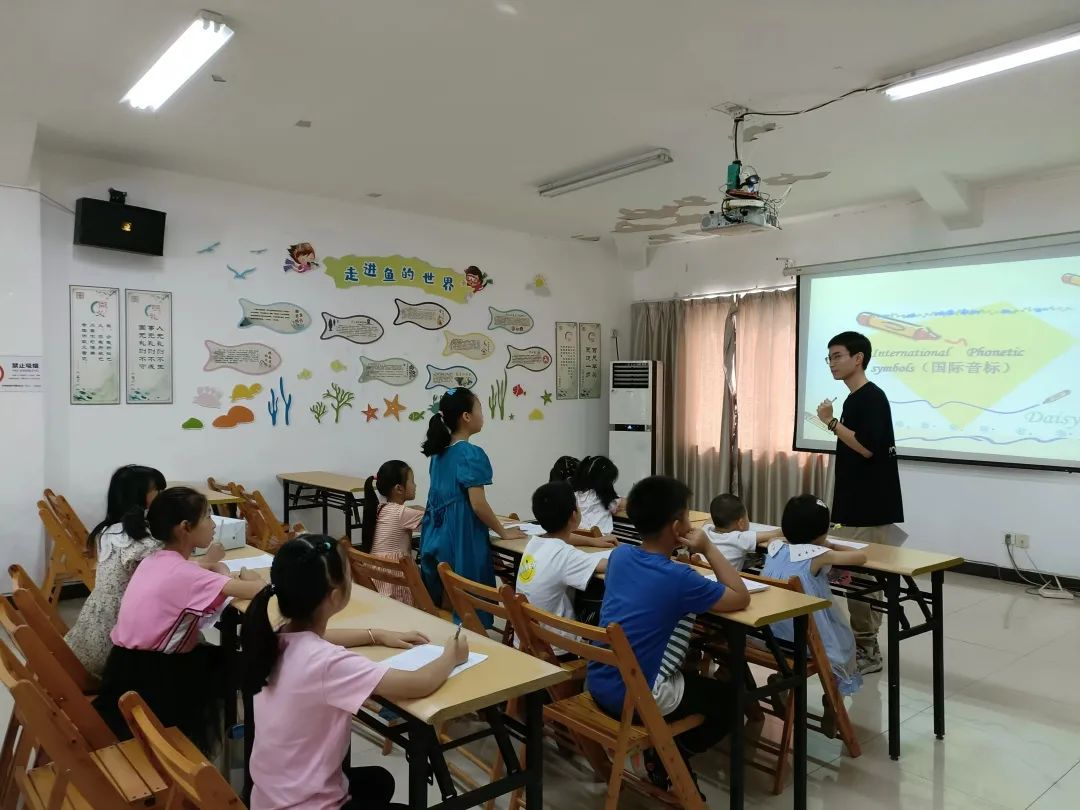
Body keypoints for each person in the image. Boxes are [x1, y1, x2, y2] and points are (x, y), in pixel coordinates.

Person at [243, 535, 468, 810]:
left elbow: (325, 638)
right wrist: (451, 656)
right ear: (335, 596)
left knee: (379, 781)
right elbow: (419, 683)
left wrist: (376, 635)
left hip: (269, 797)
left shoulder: (276, 638)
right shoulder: (327, 663)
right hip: (307, 805)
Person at [586, 475, 749, 790]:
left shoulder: (620, 557)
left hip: (600, 681)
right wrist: (708, 548)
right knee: (732, 700)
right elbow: (740, 597)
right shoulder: (680, 578)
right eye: (687, 516)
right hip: (636, 697)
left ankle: (663, 751)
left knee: (690, 672)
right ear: (677, 528)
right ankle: (666, 755)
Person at [93, 487, 266, 754]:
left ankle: (237, 732)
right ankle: (249, 741)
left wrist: (218, 569)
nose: (213, 524)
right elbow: (259, 590)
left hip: (124, 668)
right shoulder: (184, 574)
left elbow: (199, 570)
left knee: (228, 657)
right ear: (185, 527)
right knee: (254, 664)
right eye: (207, 517)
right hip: (161, 678)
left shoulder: (154, 560)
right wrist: (250, 577)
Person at [65, 465, 226, 677]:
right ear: (138, 497)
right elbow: (176, 573)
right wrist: (210, 560)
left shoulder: (109, 531)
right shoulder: (143, 541)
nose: (163, 496)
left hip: (88, 635)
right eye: (158, 491)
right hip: (119, 649)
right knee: (196, 643)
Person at [817, 331, 905, 675]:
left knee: (859, 581)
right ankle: (866, 645)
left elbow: (867, 447)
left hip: (868, 506)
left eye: (838, 356)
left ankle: (868, 649)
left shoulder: (870, 398)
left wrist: (830, 422)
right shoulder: (857, 399)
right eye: (829, 357)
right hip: (858, 504)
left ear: (859, 358)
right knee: (861, 579)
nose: (832, 363)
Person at [763, 495, 868, 731]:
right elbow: (861, 557)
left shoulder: (774, 546)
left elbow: (777, 538)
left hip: (770, 634)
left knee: (794, 631)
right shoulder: (819, 554)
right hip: (806, 638)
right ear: (821, 532)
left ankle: (783, 679)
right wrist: (830, 545)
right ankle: (833, 699)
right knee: (843, 646)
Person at [419, 387, 526, 611]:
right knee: (467, 601)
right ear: (466, 416)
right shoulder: (470, 453)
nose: (482, 415)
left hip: (435, 534)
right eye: (480, 409)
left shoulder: (438, 454)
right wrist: (503, 532)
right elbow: (478, 505)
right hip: (461, 535)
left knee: (447, 600)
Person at [516, 482, 608, 630]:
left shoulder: (534, 543)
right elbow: (608, 565)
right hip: (557, 640)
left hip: (528, 634)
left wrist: (593, 541)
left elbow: (564, 538)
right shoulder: (566, 555)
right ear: (573, 516)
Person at [361, 460, 424, 605]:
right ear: (399, 489)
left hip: (377, 576)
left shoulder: (381, 508)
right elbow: (435, 518)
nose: (415, 485)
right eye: (412, 481)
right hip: (394, 578)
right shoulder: (402, 513)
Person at [703, 493, 784, 570]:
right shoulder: (739, 539)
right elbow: (776, 533)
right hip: (727, 580)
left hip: (705, 575)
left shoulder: (705, 530)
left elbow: (710, 520)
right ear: (741, 523)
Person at [572, 455, 625, 535]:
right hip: (599, 539)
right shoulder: (606, 499)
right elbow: (627, 503)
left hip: (578, 537)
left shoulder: (574, 495)